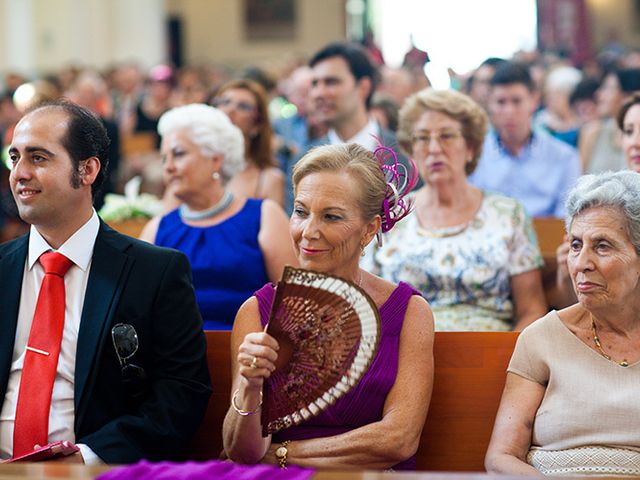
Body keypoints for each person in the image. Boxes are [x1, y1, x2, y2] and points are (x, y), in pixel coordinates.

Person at [0, 100, 211, 463]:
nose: (19, 173)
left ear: (87, 170)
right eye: (15, 157)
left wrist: (89, 456)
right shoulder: (3, 268)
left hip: (92, 469)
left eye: (38, 158)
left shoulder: (155, 272)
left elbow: (181, 393)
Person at [223, 143, 434, 470]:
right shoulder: (257, 309)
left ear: (370, 229)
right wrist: (250, 387)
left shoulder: (408, 310)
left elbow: (399, 438)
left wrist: (282, 455)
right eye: (301, 211)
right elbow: (241, 451)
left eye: (331, 216)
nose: (308, 232)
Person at [486, 171, 640, 476]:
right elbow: (501, 458)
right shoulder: (541, 339)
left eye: (603, 246)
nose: (581, 263)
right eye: (575, 245)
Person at [366, 89, 547, 331]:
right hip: (405, 355)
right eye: (422, 138)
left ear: (470, 147)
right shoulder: (393, 213)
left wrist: (507, 363)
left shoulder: (508, 214)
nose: (434, 148)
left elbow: (532, 310)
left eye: (447, 136)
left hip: (490, 357)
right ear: (411, 150)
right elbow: (370, 306)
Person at [139, 104, 296, 330]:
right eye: (164, 158)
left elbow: (294, 306)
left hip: (251, 357)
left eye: (179, 154)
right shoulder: (157, 229)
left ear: (216, 159)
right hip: (177, 359)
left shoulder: (263, 216)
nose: (169, 167)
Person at [285, 41, 418, 213]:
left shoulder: (405, 154)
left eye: (331, 82)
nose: (318, 93)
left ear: (363, 87)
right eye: (315, 84)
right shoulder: (302, 160)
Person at [554, 93, 640, 308]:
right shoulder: (599, 205)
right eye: (629, 132)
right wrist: (567, 271)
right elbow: (572, 307)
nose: (636, 142)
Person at [469, 61, 581, 218]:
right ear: (490, 103)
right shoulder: (473, 155)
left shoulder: (564, 157)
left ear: (534, 101)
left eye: (517, 101)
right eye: (501, 102)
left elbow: (567, 217)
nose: (509, 111)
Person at [212, 79, 285, 208]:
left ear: (257, 125)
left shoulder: (269, 179)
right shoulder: (195, 167)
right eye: (225, 102)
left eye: (243, 106)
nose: (230, 109)